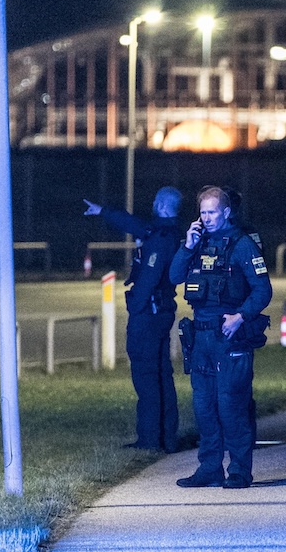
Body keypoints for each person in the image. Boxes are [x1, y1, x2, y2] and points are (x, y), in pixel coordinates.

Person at [169, 186, 272, 489]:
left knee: (231, 405)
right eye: (203, 212)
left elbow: (263, 290)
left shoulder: (242, 244)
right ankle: (210, 468)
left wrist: (240, 316)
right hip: (201, 338)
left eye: (212, 212)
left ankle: (239, 470)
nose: (207, 218)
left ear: (226, 212)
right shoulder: (198, 242)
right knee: (204, 406)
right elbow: (174, 277)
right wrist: (188, 246)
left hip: (230, 337)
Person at [83, 187, 183, 453]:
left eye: (155, 200)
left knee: (146, 376)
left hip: (149, 314)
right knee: (162, 375)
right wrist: (103, 212)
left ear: (162, 205)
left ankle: (150, 440)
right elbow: (135, 225)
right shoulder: (168, 232)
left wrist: (136, 308)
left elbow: (148, 279)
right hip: (161, 312)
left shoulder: (159, 240)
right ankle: (167, 437)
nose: (152, 203)